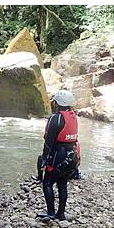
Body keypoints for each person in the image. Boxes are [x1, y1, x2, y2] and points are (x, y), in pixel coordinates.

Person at [38, 90, 79, 221]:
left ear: (57, 103)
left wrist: (44, 158)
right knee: (62, 184)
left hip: (58, 155)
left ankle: (51, 212)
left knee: (47, 183)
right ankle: (61, 214)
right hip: (71, 155)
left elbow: (49, 142)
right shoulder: (73, 116)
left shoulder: (57, 117)